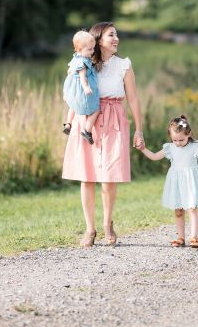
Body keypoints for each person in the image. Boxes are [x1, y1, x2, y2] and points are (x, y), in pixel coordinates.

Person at [62, 22, 144, 248]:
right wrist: (70, 121)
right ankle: (90, 229)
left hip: (114, 119)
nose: (116, 38)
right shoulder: (85, 63)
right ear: (98, 40)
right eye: (111, 35)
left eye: (116, 34)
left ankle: (108, 223)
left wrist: (139, 129)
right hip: (88, 118)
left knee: (109, 177)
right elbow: (73, 91)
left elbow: (134, 99)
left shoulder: (124, 65)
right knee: (86, 177)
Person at [139, 115, 198, 249]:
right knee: (178, 210)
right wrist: (142, 149)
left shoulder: (195, 146)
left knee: (192, 208)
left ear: (189, 134)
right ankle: (181, 237)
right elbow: (154, 157)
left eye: (181, 139)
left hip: (190, 181)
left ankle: (194, 237)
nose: (178, 143)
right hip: (176, 183)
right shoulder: (170, 147)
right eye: (174, 140)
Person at [62, 30, 100, 144]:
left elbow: (69, 72)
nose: (92, 51)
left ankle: (68, 124)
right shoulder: (82, 63)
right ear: (79, 49)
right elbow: (83, 78)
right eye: (89, 49)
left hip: (73, 90)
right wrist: (86, 88)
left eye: (93, 48)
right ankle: (87, 130)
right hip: (82, 90)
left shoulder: (75, 59)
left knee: (73, 106)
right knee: (96, 109)